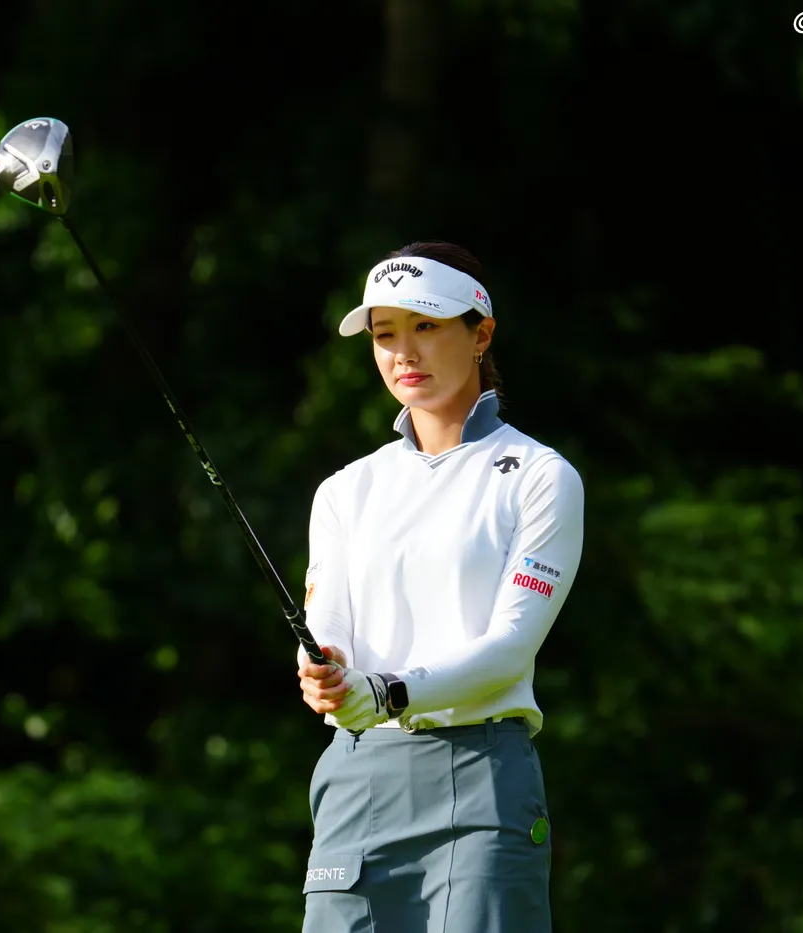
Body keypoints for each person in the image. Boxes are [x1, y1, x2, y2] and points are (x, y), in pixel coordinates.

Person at [295, 240, 584, 932]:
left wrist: (388, 690)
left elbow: (509, 647)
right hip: (358, 776)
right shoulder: (346, 489)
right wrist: (324, 669)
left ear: (481, 334)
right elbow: (327, 625)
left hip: (481, 778)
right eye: (385, 334)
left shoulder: (540, 475)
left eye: (425, 325)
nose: (404, 352)